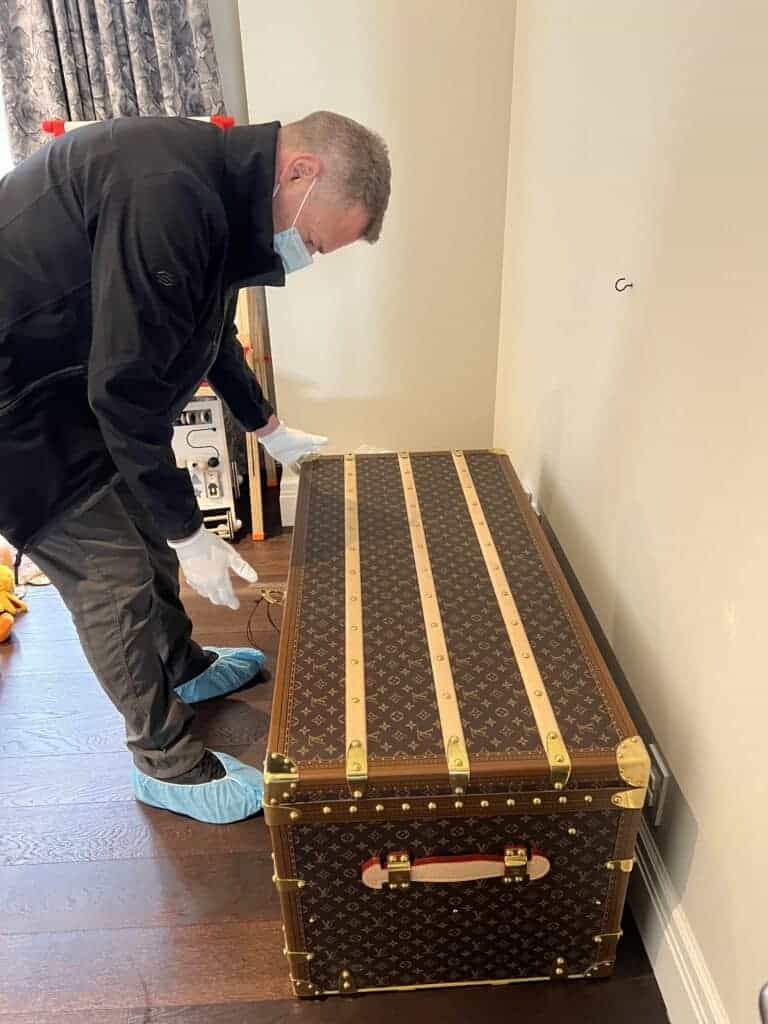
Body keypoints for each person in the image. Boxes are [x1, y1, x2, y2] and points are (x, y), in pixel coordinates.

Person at [0, 111, 391, 824]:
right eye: (310, 241)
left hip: (57, 381)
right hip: (12, 407)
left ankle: (181, 666)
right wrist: (190, 530)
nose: (304, 257)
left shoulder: (217, 192)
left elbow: (206, 329)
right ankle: (165, 763)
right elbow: (123, 390)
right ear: (300, 172)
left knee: (145, 534)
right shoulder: (167, 193)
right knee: (111, 575)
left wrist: (265, 426)